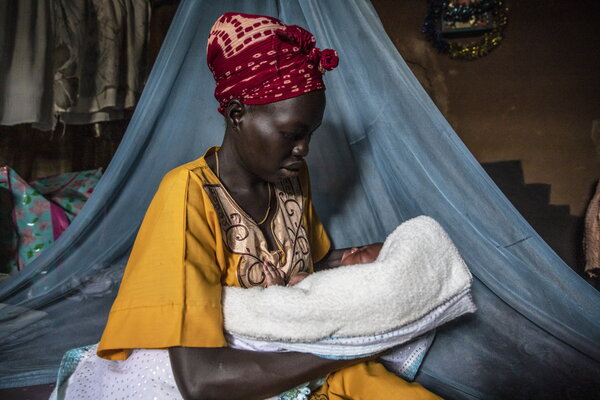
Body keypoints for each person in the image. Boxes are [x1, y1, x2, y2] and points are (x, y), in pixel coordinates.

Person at [96, 13, 442, 400]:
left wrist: (386, 260)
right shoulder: (188, 194)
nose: (304, 150)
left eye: (310, 135)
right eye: (291, 135)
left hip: (300, 357)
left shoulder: (290, 179)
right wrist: (345, 348)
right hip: (237, 374)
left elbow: (301, 265)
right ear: (238, 116)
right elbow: (199, 382)